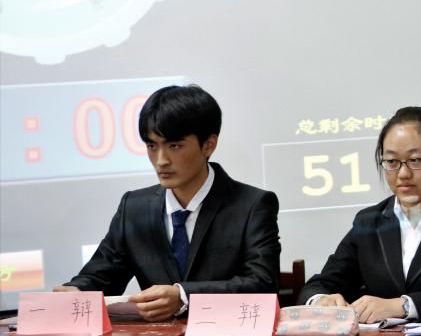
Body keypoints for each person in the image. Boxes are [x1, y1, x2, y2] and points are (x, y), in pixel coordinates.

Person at [56, 84, 281, 321]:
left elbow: (263, 284)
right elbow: (101, 276)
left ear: (209, 145)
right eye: (152, 146)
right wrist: (76, 291)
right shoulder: (134, 207)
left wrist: (184, 296)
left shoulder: (252, 205)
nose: (161, 160)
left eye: (174, 146)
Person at [298, 107, 421, 323]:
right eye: (392, 162)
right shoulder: (369, 221)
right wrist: (321, 300)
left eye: (415, 160)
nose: (403, 174)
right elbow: (320, 284)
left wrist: (403, 306)